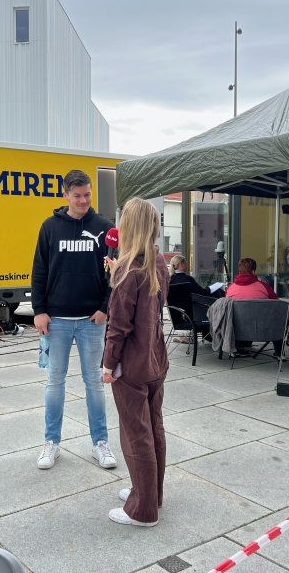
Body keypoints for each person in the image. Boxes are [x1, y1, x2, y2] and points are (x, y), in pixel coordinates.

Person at [31, 169, 117, 470]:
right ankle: (51, 442)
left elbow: (114, 274)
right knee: (54, 382)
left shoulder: (105, 228)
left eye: (87, 195)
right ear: (66, 194)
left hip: (92, 321)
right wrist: (39, 310)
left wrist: (105, 307)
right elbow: (39, 271)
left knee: (94, 382)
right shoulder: (50, 227)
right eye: (77, 195)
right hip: (56, 322)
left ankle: (100, 443)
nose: (83, 200)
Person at [102, 197, 169, 527]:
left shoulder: (130, 270)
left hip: (131, 363)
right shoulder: (157, 263)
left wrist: (107, 363)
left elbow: (119, 325)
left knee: (135, 433)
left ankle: (143, 510)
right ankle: (151, 494)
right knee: (153, 426)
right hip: (156, 358)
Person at [226, 257, 284, 356]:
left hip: (238, 330)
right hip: (264, 329)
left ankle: (237, 348)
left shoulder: (230, 288)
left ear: (239, 271)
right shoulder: (264, 286)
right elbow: (276, 303)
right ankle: (279, 353)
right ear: (253, 271)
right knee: (278, 316)